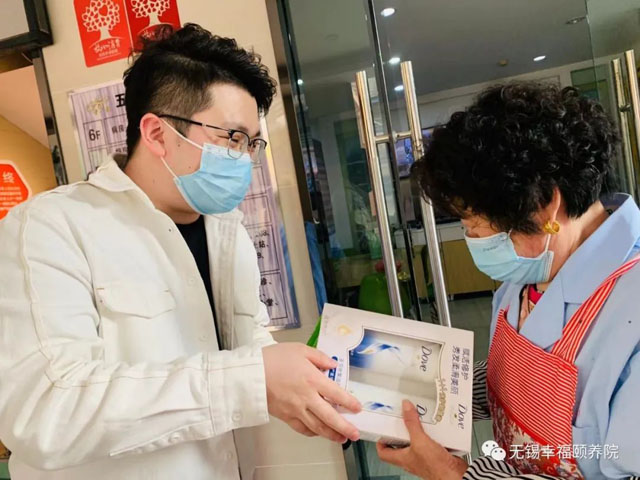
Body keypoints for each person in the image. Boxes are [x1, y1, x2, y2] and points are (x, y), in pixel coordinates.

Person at [0, 24, 360, 480]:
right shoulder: (51, 228)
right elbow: (46, 413)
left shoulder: (228, 232)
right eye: (232, 138)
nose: (245, 159)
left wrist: (299, 391)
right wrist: (251, 380)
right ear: (156, 133)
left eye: (252, 142)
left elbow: (249, 344)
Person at [378, 83, 640, 479]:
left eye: (475, 223)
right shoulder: (534, 267)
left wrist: (450, 474)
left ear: (543, 206)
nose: (471, 237)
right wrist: (442, 392)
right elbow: (522, 374)